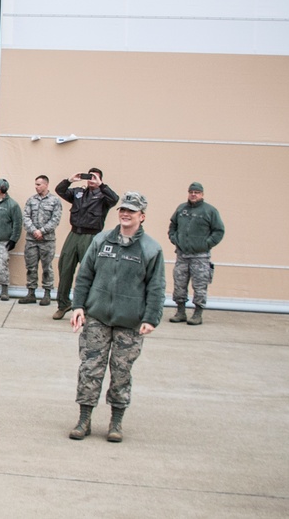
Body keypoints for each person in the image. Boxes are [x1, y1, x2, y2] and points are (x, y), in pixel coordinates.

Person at [68, 192, 165, 443]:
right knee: (90, 368)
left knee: (121, 372)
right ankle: (84, 420)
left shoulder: (151, 249)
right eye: (123, 209)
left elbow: (156, 287)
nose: (125, 213)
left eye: (131, 211)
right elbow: (85, 275)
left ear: (141, 216)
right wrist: (78, 305)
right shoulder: (101, 240)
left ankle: (116, 422)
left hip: (129, 322)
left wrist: (151, 318)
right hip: (97, 316)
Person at [53, 169, 119, 320]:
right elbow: (60, 190)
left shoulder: (104, 196)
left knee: (88, 272)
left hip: (91, 236)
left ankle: (86, 308)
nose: (91, 179)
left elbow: (115, 199)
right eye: (89, 176)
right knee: (65, 268)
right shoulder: (78, 193)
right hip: (74, 233)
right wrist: (70, 180)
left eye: (95, 177)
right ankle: (63, 304)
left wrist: (101, 185)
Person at [168, 182, 225, 326]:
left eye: (197, 192)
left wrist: (206, 244)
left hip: (200, 257)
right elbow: (172, 225)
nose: (193, 194)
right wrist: (174, 238)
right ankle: (180, 312)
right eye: (191, 192)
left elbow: (219, 231)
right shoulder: (181, 209)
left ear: (202, 194)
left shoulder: (209, 211)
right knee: (179, 284)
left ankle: (197, 313)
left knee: (200, 286)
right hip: (182, 255)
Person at [21, 175, 63, 305]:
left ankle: (47, 294)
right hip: (32, 240)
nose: (36, 187)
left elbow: (55, 219)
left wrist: (42, 231)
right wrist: (34, 230)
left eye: (39, 184)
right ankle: (31, 293)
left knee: (47, 268)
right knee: (31, 267)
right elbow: (26, 217)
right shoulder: (31, 200)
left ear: (46, 185)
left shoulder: (55, 201)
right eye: (35, 184)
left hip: (47, 241)